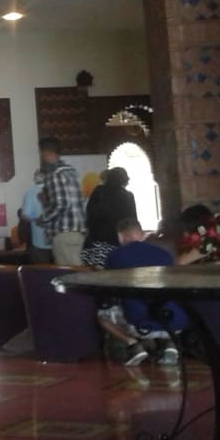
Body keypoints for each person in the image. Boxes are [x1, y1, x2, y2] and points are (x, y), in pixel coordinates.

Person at [99, 218, 187, 366]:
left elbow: (109, 288)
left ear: (121, 236)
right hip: (175, 319)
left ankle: (133, 344)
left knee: (101, 316)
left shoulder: (115, 256)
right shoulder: (164, 254)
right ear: (141, 234)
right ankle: (171, 345)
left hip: (139, 321)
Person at [35, 137, 86, 266]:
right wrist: (46, 201)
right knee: (77, 274)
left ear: (44, 152)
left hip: (64, 233)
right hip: (77, 231)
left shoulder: (54, 174)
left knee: (70, 277)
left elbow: (62, 205)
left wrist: (44, 218)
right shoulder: (71, 171)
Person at [82, 167, 137, 268]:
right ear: (124, 180)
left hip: (96, 243)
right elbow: (131, 222)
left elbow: (89, 215)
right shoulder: (127, 196)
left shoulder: (98, 191)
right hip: (117, 244)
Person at [22, 171, 53, 264]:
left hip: (39, 243)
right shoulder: (55, 191)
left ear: (34, 179)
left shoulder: (30, 193)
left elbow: (25, 216)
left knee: (41, 273)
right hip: (57, 241)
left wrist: (36, 220)